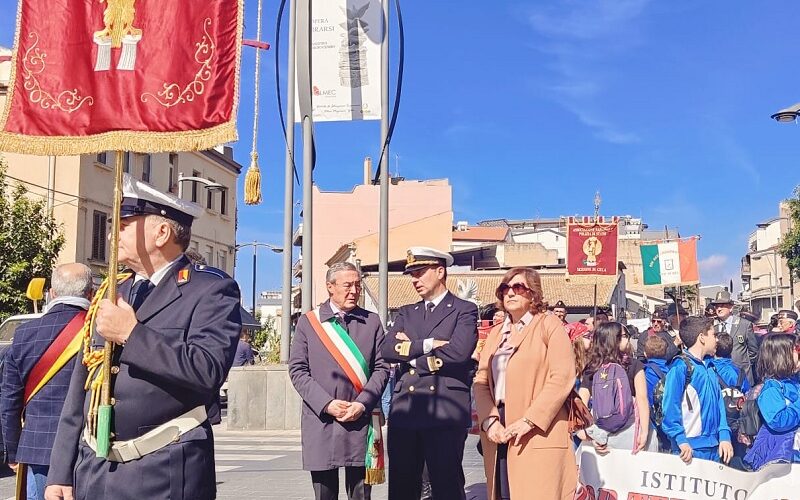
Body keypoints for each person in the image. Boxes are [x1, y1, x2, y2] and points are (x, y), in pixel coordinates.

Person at [44, 175, 242, 500]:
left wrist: (132, 334)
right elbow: (82, 386)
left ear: (161, 232)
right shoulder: (111, 291)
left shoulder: (210, 290)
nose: (112, 233)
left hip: (164, 468)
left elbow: (207, 370)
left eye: (123, 224)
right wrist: (61, 471)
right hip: (95, 468)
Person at [381, 247, 478, 500]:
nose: (415, 280)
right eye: (412, 274)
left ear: (440, 271)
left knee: (446, 484)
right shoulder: (406, 312)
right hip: (407, 408)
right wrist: (427, 344)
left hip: (444, 409)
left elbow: (459, 353)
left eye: (420, 273)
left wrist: (412, 358)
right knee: (403, 486)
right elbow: (388, 350)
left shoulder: (463, 309)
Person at [474, 267, 576, 500]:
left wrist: (530, 419)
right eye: (505, 289)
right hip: (499, 424)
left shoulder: (548, 324)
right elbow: (480, 380)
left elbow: (562, 376)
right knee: (503, 493)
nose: (510, 293)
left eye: (518, 288)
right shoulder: (496, 332)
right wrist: (490, 421)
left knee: (536, 491)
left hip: (539, 425)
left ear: (533, 294)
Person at [288, 262, 388, 500]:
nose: (354, 290)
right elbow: (298, 370)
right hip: (322, 420)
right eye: (347, 285)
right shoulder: (309, 323)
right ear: (330, 287)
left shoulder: (371, 321)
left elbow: (383, 367)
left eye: (357, 284)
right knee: (325, 494)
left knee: (361, 494)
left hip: (361, 419)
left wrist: (362, 403)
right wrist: (326, 403)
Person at [0, 264, 93, 500]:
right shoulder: (99, 332)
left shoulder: (23, 334)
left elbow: (9, 401)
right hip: (91, 447)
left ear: (51, 293)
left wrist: (13, 450)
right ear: (91, 294)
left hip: (39, 449)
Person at [661, 316, 734, 465]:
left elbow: (719, 402)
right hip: (689, 449)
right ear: (702, 337)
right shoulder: (680, 367)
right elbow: (670, 407)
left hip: (715, 447)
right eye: (713, 335)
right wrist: (680, 439)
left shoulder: (710, 366)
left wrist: (724, 434)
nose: (716, 340)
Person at [579, 322, 656, 455]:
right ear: (614, 339)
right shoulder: (633, 365)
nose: (628, 339)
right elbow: (642, 398)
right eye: (624, 336)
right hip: (630, 430)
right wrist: (644, 431)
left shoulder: (592, 367)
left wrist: (582, 430)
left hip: (600, 432)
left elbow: (581, 401)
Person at [742, 333, 800, 469]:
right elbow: (778, 420)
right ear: (781, 356)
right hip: (780, 452)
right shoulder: (771, 387)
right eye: (797, 350)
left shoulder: (794, 381)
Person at [712, 290, 758, 386]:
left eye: (722, 305)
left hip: (742, 376)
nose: (719, 308)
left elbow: (753, 351)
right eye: (717, 306)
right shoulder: (712, 327)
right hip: (720, 377)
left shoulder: (744, 325)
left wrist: (744, 363)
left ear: (731, 307)